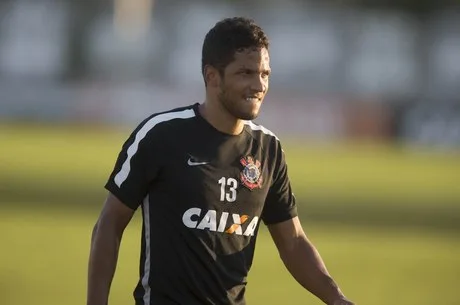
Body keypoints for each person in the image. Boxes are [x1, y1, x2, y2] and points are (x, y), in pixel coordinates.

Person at [87, 17, 354, 305]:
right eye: (245, 73)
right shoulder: (161, 135)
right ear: (213, 76)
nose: (259, 85)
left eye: (265, 73)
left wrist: (336, 298)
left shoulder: (268, 150)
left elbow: (293, 241)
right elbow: (109, 224)